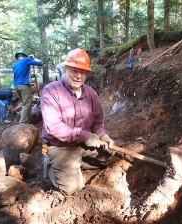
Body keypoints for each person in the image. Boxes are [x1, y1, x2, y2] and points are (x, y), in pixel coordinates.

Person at [41, 48, 115, 195]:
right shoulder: (51, 91)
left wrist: (103, 135)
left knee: (114, 158)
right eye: (74, 70)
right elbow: (54, 127)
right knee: (72, 189)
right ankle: (50, 164)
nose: (78, 76)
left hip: (83, 144)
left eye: (83, 72)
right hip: (60, 146)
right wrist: (85, 136)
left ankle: (77, 164)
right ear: (65, 70)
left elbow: (97, 122)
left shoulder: (91, 93)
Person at [12, 50, 43, 123]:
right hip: (23, 85)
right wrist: (33, 59)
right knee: (27, 104)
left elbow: (21, 73)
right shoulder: (26, 60)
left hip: (16, 86)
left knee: (25, 103)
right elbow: (40, 63)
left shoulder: (15, 64)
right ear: (24, 56)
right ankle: (22, 122)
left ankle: (28, 120)